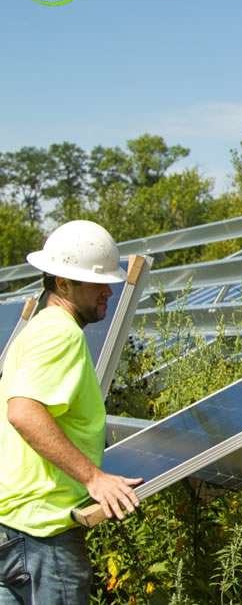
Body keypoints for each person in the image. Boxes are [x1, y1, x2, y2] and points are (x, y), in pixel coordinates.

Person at [0, 220, 143, 603]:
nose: (108, 291)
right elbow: (23, 412)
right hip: (42, 535)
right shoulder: (60, 332)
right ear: (62, 284)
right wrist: (94, 478)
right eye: (96, 282)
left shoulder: (34, 330)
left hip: (11, 525)